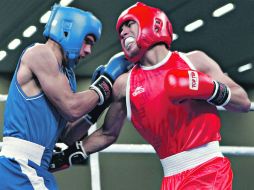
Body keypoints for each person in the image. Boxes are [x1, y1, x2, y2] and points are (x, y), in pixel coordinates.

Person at [50, 2, 251, 190]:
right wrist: (68, 156)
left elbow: (242, 101)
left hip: (209, 170)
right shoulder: (124, 84)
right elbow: (107, 133)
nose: (124, 32)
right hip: (171, 178)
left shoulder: (194, 62)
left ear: (153, 23)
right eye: (120, 30)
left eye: (129, 24)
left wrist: (211, 89)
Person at [0, 4, 130, 190]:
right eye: (87, 41)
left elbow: (67, 136)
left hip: (36, 169)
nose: (88, 51)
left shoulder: (66, 77)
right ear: (70, 30)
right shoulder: (39, 53)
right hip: (18, 167)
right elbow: (72, 107)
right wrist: (106, 82)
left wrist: (99, 105)